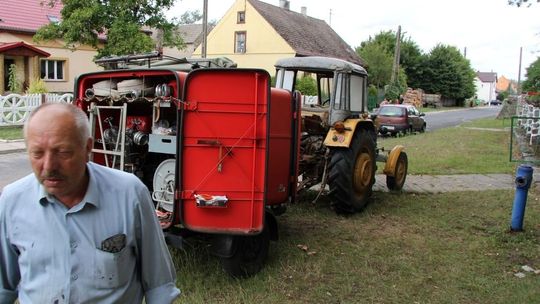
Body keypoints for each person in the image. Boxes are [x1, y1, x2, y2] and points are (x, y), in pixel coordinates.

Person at [0, 103, 180, 303]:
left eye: (63, 152)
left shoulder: (130, 195)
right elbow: (3, 288)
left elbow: (160, 286)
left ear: (87, 148)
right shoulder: (12, 201)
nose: (49, 166)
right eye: (37, 153)